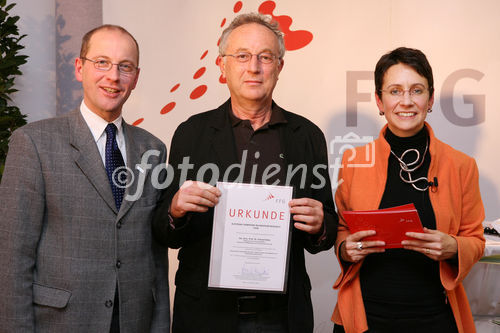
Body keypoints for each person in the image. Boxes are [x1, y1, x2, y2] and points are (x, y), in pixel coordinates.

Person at [153, 13, 338, 333]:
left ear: (280, 67)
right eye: (242, 56)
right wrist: (175, 209)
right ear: (222, 65)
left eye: (265, 57)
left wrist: (321, 223)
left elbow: (325, 234)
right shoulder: (192, 133)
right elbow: (165, 231)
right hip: (204, 314)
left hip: (280, 316)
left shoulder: (306, 136)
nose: (254, 67)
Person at [0, 25, 170, 332]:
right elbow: (12, 259)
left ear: (136, 76)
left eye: (125, 67)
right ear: (80, 68)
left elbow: (155, 258)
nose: (113, 76)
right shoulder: (34, 143)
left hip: (134, 321)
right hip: (63, 322)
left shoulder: (153, 149)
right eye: (102, 62)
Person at [331, 47, 485, 333]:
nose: (406, 101)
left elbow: (475, 238)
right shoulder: (353, 162)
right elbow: (342, 228)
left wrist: (454, 247)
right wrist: (346, 248)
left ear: (430, 99)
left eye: (416, 90)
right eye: (394, 91)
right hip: (365, 316)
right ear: (379, 100)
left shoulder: (462, 165)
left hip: (435, 317)